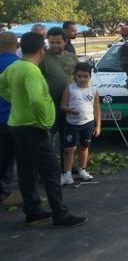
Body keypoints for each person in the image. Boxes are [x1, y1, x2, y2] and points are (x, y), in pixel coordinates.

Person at [0, 32, 86, 227]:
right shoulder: (31, 70)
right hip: (33, 126)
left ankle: (32, 210)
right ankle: (60, 214)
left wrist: (15, 100)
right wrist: (46, 119)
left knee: (26, 168)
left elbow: (1, 86)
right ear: (41, 49)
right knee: (51, 170)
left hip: (17, 124)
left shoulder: (15, 66)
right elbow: (38, 99)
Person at [40, 27, 79, 183]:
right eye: (52, 42)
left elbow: (80, 77)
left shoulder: (72, 57)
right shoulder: (43, 58)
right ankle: (45, 171)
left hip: (70, 105)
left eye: (58, 42)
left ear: (65, 41)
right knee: (48, 139)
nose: (55, 45)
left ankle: (68, 168)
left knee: (69, 139)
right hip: (51, 105)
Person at [60, 62, 99, 184]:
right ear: (74, 76)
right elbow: (62, 105)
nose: (82, 79)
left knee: (84, 147)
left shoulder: (93, 90)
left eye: (85, 76)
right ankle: (67, 174)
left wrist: (98, 126)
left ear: (90, 77)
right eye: (79, 76)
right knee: (69, 149)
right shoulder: (70, 88)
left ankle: (82, 170)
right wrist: (68, 110)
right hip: (72, 124)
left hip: (88, 124)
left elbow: (97, 109)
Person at [0, 32, 19, 204]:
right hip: (11, 118)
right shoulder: (17, 65)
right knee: (8, 158)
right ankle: (4, 193)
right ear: (17, 46)